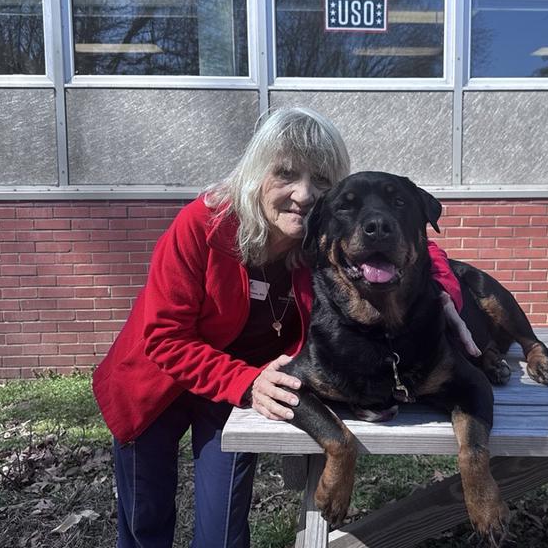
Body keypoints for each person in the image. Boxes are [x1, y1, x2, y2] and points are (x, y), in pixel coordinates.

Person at [92, 106, 480, 548]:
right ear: (256, 174)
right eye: (286, 174)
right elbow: (164, 337)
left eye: (321, 180)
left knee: (222, 533)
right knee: (146, 521)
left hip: (233, 392)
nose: (304, 193)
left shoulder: (321, 240)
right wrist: (246, 380)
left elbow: (420, 249)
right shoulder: (201, 227)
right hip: (155, 382)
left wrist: (444, 292)